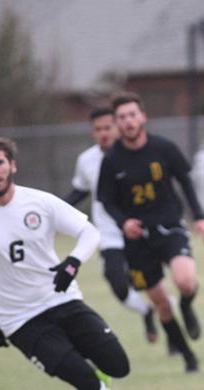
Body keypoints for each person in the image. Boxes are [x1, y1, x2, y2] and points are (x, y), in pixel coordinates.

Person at [0, 135, 161, 390]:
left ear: (12, 165)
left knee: (119, 366)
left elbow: (88, 232)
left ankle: (93, 368)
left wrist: (73, 262)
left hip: (63, 299)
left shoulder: (40, 201)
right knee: (84, 379)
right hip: (19, 320)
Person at [97, 92, 204, 373]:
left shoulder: (164, 148)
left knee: (185, 281)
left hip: (169, 225)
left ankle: (187, 306)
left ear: (143, 117)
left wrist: (199, 217)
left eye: (132, 115)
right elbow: (106, 200)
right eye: (122, 117)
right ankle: (187, 356)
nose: (128, 121)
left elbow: (185, 180)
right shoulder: (111, 160)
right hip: (136, 239)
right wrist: (123, 222)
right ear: (117, 123)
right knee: (160, 303)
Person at [64, 107, 167, 346]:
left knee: (155, 287)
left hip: (141, 231)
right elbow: (80, 191)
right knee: (118, 284)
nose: (103, 133)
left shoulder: (136, 155)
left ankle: (172, 332)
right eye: (98, 129)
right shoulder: (86, 160)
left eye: (107, 128)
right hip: (109, 233)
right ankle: (146, 312)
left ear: (118, 126)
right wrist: (53, 210)